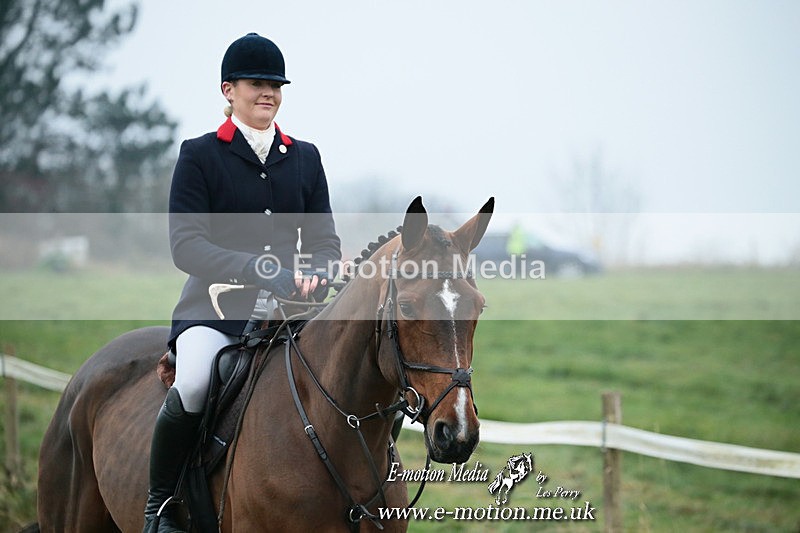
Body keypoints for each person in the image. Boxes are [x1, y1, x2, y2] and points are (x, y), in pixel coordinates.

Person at [143, 33, 341, 532]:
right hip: (215, 311)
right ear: (228, 90)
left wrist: (318, 271)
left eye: (276, 84)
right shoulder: (200, 154)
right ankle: (161, 505)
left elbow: (325, 243)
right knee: (191, 384)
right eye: (257, 84)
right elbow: (185, 246)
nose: (268, 93)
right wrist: (261, 269)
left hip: (288, 315)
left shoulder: (304, 157)